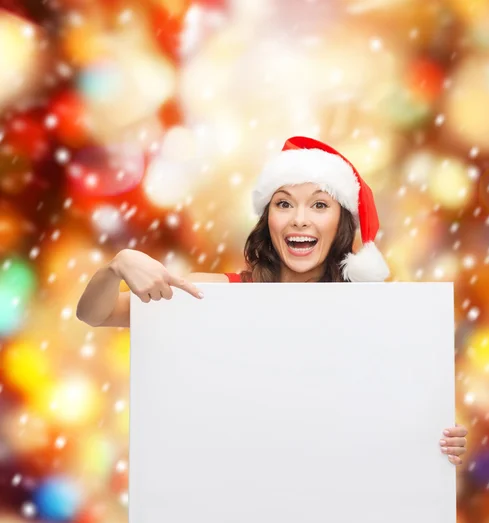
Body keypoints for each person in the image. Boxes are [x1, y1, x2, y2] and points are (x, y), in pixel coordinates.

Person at [76, 136, 468, 465]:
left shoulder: (375, 318)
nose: (299, 219)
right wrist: (118, 265)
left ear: (341, 223)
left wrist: (437, 446)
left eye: (319, 204)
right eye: (284, 203)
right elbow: (96, 313)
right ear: (269, 221)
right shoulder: (212, 295)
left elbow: (392, 422)